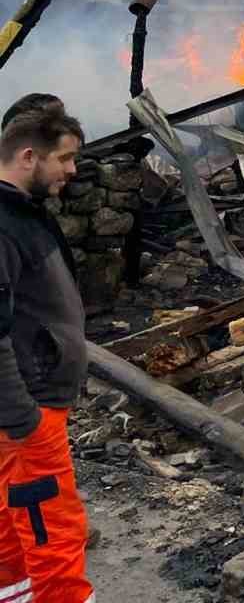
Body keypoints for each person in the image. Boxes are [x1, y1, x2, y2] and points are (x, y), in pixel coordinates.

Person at [0, 108, 93, 603]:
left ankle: (12, 592)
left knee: (14, 518)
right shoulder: (3, 224)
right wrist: (24, 418)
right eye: (65, 158)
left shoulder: (22, 212)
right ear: (28, 156)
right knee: (52, 529)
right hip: (30, 408)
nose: (72, 170)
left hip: (27, 406)